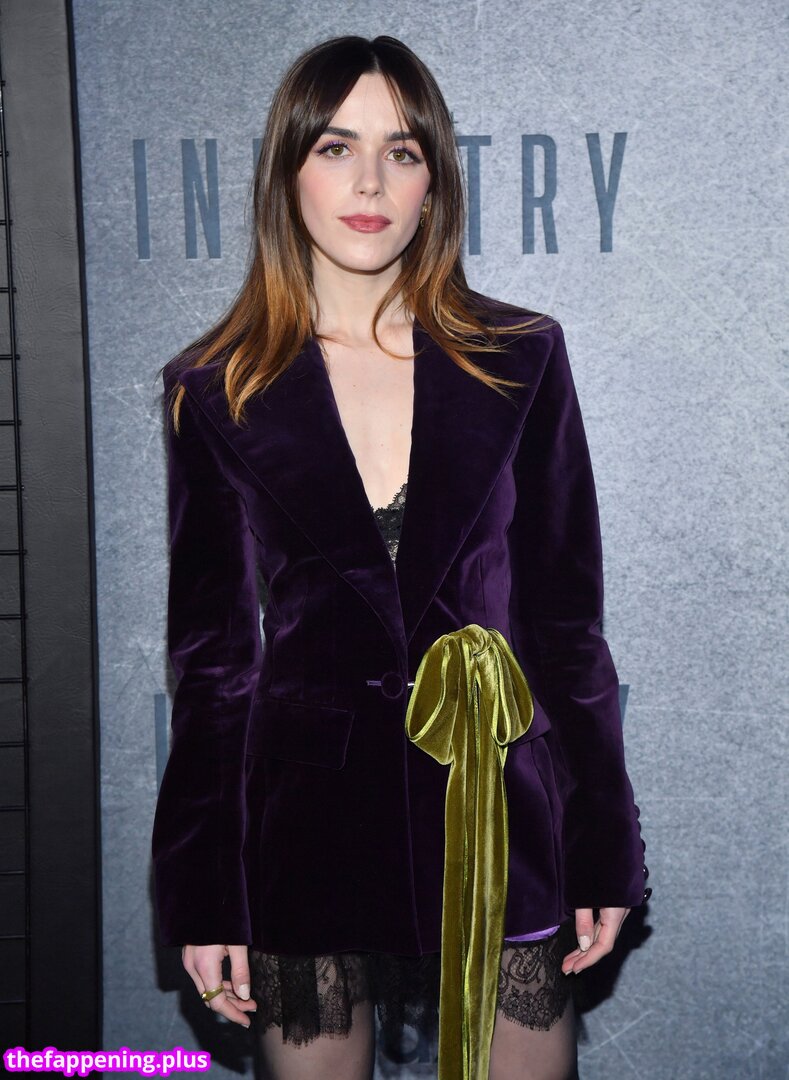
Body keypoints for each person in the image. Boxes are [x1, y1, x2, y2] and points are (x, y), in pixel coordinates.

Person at [151, 34, 650, 1080]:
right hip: (308, 826)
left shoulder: (521, 358)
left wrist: (604, 843)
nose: (370, 181)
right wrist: (203, 891)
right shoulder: (215, 388)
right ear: (288, 172)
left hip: (496, 808)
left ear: (434, 182)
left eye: (403, 151)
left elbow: (566, 630)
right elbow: (214, 666)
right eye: (336, 147)